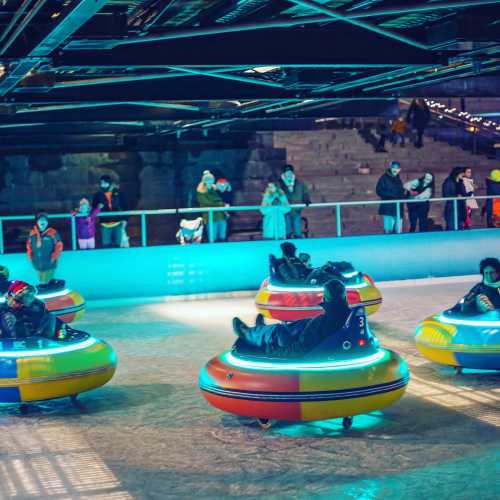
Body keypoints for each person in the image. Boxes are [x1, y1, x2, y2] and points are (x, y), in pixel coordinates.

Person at [232, 279, 352, 356]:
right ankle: (262, 329)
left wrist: (270, 352)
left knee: (278, 330)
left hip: (292, 340)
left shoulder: (320, 322)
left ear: (325, 299)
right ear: (345, 298)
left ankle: (247, 333)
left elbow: (299, 350)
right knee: (297, 324)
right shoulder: (351, 317)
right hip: (303, 330)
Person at [0, 280, 67, 339]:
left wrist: (61, 330)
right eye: (18, 301)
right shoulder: (2, 309)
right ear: (9, 296)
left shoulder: (36, 307)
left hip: (36, 342)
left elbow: (57, 323)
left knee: (51, 316)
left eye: (23, 302)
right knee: (8, 317)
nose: (20, 304)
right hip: (10, 343)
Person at [92, 174, 128, 248]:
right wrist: (98, 207)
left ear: (110, 183)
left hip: (118, 222)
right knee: (106, 245)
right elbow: (93, 208)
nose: (103, 185)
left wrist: (125, 219)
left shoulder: (118, 193)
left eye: (105, 183)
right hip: (105, 223)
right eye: (101, 183)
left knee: (118, 245)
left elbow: (125, 206)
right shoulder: (97, 195)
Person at [26, 212, 63, 285]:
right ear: (37, 222)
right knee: (42, 281)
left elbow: (59, 246)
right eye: (40, 220)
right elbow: (28, 246)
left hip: (49, 263)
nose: (42, 222)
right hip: (37, 263)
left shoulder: (52, 233)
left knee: (45, 282)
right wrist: (30, 257)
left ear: (47, 222)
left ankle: (49, 291)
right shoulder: (32, 233)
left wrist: (54, 257)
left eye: (44, 220)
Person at [278, 164, 311, 239]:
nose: (288, 174)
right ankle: (288, 241)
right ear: (284, 173)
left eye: (290, 172)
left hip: (296, 210)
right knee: (287, 229)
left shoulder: (299, 184)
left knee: (297, 229)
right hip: (285, 211)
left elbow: (305, 192)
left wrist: (306, 199)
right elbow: (276, 195)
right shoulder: (280, 184)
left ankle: (298, 242)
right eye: (287, 172)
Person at [196, 170, 227, 242]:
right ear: (204, 181)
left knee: (222, 237)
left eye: (211, 180)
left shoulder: (215, 189)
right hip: (211, 218)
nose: (210, 182)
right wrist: (222, 204)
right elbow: (206, 203)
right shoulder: (201, 192)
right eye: (208, 180)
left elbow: (224, 196)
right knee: (213, 238)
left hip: (221, 216)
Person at [376, 161, 405, 234]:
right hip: (388, 208)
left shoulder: (398, 179)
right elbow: (379, 191)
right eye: (393, 168)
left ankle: (397, 244)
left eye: (397, 168)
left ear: (400, 169)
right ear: (390, 168)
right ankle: (387, 244)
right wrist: (392, 194)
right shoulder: (384, 178)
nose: (395, 170)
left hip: (398, 208)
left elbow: (400, 192)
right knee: (388, 230)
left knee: (398, 230)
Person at [442, 167, 466, 231]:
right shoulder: (448, 182)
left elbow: (464, 193)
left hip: (461, 206)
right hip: (452, 207)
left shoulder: (461, 182)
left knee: (460, 225)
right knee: (451, 225)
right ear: (457, 173)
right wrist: (456, 196)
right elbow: (446, 195)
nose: (463, 175)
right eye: (462, 173)